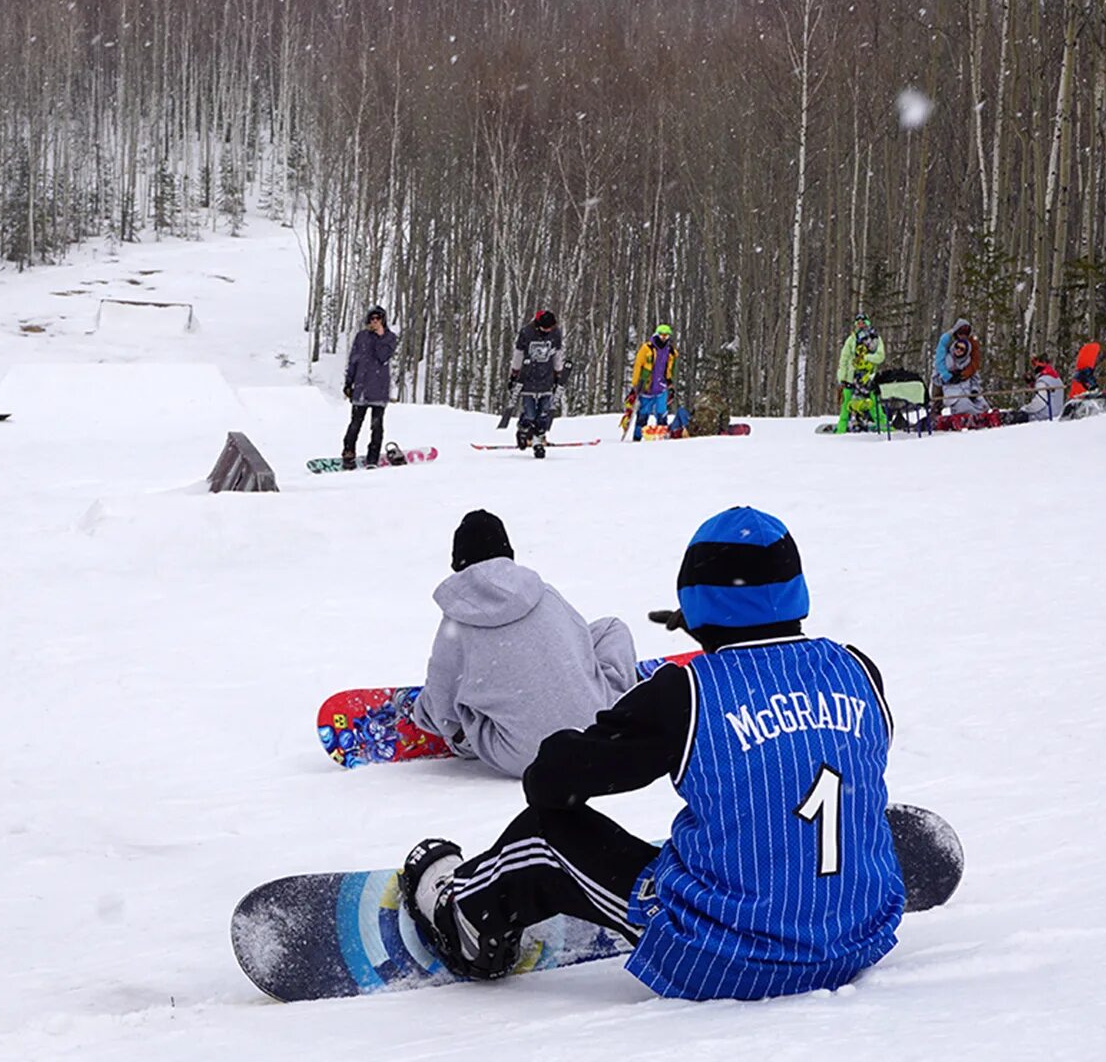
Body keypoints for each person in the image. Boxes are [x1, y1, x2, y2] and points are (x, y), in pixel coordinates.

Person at [400, 506, 904, 1001]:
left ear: (695, 599)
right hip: (857, 938)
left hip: (728, 956)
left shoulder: (686, 694)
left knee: (546, 835)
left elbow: (553, 783)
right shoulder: (857, 669)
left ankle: (464, 918)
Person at [410, 510, 638, 779]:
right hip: (593, 731)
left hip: (525, 755)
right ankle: (618, 694)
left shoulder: (456, 623)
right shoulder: (545, 595)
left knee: (457, 704)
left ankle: (475, 737)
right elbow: (581, 646)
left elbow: (443, 707)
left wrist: (423, 714)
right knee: (611, 628)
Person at [341, 306, 398, 468]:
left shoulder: (390, 338)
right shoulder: (361, 337)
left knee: (377, 426)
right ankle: (348, 453)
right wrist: (348, 383)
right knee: (354, 424)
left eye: (378, 319)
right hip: (361, 388)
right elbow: (353, 360)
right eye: (372, 319)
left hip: (379, 389)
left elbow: (383, 357)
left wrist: (380, 337)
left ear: (383, 320)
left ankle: (373, 458)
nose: (375, 322)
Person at [511, 310, 566, 457]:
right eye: (545, 328)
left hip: (546, 378)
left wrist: (558, 373)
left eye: (550, 328)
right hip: (528, 378)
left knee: (543, 414)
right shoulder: (526, 333)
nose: (548, 331)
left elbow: (557, 354)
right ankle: (522, 430)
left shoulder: (555, 334)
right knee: (529, 414)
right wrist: (515, 373)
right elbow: (518, 354)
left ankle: (537, 443)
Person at [835, 313, 887, 433]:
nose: (861, 325)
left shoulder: (875, 338)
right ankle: (841, 431)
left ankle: (884, 427)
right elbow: (844, 359)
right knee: (846, 407)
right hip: (850, 378)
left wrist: (866, 358)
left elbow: (880, 356)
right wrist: (841, 378)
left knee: (874, 406)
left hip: (868, 378)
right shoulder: (851, 339)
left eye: (863, 322)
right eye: (858, 323)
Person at [628, 325, 677, 441]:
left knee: (662, 413)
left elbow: (669, 369)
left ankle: (662, 436)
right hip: (646, 388)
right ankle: (637, 437)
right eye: (661, 335)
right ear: (657, 334)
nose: (664, 338)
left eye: (666, 335)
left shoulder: (670, 351)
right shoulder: (646, 348)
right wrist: (635, 384)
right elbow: (637, 365)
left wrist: (670, 384)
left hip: (661, 388)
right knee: (643, 414)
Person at [934, 318, 990, 416]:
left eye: (966, 333)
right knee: (962, 404)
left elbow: (975, 362)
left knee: (982, 405)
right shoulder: (947, 340)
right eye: (961, 332)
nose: (963, 335)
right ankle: (936, 409)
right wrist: (947, 376)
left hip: (966, 389)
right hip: (952, 390)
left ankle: (979, 416)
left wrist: (967, 375)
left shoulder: (971, 345)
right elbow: (939, 361)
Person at [1020, 355, 1065, 421]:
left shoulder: (1042, 381)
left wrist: (1025, 409)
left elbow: (1040, 402)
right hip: (1057, 415)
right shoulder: (1057, 379)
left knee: (1015, 417)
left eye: (1034, 364)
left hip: (1043, 416)